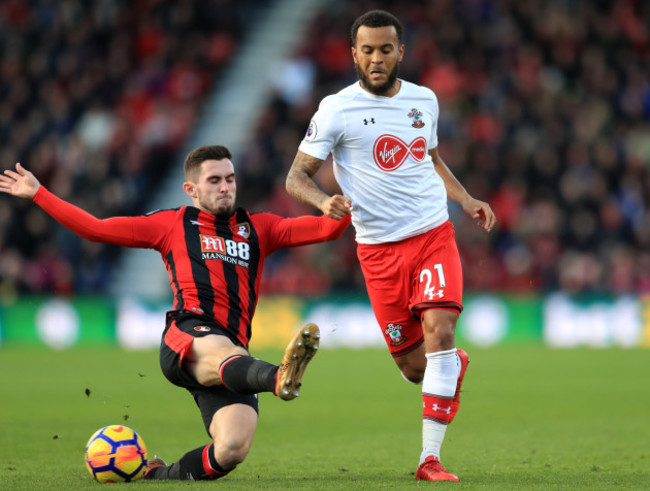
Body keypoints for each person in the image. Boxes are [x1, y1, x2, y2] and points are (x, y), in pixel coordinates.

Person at [0, 144, 350, 481]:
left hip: (234, 357)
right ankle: (280, 376)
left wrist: (343, 204)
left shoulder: (260, 227)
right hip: (188, 335)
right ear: (191, 189)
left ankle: (157, 474)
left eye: (230, 178)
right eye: (214, 180)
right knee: (228, 352)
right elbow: (96, 228)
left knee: (231, 448)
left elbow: (327, 230)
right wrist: (38, 193)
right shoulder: (172, 224)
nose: (225, 187)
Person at [285, 10, 496, 482]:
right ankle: (448, 367)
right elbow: (296, 176)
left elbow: (432, 157)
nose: (376, 59)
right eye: (367, 50)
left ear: (400, 52)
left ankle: (429, 460)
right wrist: (324, 201)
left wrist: (464, 198)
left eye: (385, 49)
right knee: (415, 369)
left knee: (441, 331)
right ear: (353, 54)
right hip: (377, 252)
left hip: (431, 235)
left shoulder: (425, 100)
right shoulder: (336, 108)